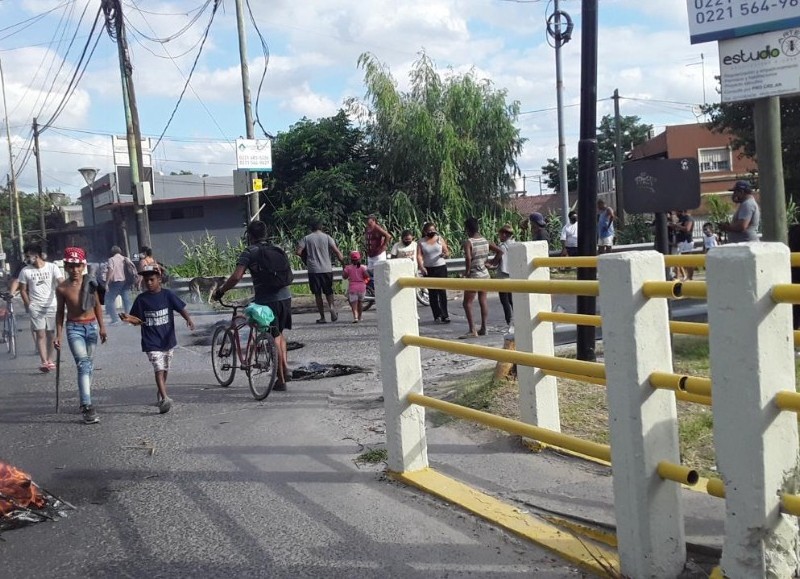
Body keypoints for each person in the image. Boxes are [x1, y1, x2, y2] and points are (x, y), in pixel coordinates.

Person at [213, 220, 293, 390]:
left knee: (273, 337)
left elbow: (236, 277)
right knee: (279, 334)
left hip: (267, 300)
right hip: (285, 296)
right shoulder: (277, 249)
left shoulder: (250, 252)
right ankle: (285, 368)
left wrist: (221, 291)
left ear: (250, 236)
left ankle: (281, 378)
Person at [120, 265, 195, 413]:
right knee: (159, 368)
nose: (148, 283)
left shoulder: (168, 295)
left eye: (152, 280)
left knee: (165, 368)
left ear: (159, 280)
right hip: (151, 342)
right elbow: (137, 320)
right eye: (146, 280)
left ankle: (161, 392)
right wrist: (128, 319)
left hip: (167, 340)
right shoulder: (141, 300)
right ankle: (165, 398)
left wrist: (188, 319)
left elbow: (180, 308)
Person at [54, 247, 107, 424]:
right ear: (66, 267)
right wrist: (58, 335)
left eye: (78, 266)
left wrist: (102, 327)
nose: (75, 270)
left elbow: (97, 305)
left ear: (83, 266)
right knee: (83, 365)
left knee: (89, 365)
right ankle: (87, 405)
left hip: (91, 326)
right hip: (74, 328)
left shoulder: (90, 282)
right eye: (71, 266)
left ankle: (86, 397)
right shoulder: (62, 288)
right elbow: (60, 312)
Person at [18, 244, 64, 372]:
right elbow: (22, 290)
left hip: (51, 305)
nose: (26, 259)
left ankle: (50, 359)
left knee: (51, 333)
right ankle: (43, 361)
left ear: (36, 255)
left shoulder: (52, 267)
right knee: (40, 333)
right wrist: (29, 305)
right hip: (36, 307)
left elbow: (61, 283)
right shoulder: (25, 271)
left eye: (28, 256)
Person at [461, 217, 503, 339]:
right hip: (485, 274)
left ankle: (472, 329)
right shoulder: (486, 241)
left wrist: (467, 272)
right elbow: (500, 251)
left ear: (468, 229)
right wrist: (492, 263)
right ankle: (484, 327)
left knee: (467, 303)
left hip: (474, 275)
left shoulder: (469, 242)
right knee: (483, 300)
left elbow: (468, 258)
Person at [296, 221, 344, 324]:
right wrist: (344, 263)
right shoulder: (327, 237)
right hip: (326, 268)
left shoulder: (306, 238)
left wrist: (306, 257)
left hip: (313, 270)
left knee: (317, 294)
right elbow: (336, 251)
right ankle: (331, 308)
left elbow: (298, 252)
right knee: (329, 291)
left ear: (311, 228)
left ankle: (322, 317)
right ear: (321, 228)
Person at [418, 222, 451, 323]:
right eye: (429, 230)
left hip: (440, 267)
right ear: (425, 231)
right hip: (429, 268)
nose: (431, 232)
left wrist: (444, 255)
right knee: (432, 293)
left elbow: (447, 252)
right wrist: (421, 267)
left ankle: (445, 315)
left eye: (433, 230)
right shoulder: (421, 242)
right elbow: (419, 255)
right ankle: (437, 315)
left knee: (442, 292)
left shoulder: (439, 239)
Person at [105, 246, 135, 323]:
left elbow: (110, 270)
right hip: (126, 282)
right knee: (126, 300)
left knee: (109, 300)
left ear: (112, 252)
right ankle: (128, 318)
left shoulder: (111, 259)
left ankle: (115, 319)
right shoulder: (126, 258)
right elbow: (133, 268)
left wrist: (107, 282)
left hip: (117, 282)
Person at [495, 223, 515, 333]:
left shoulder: (502, 246)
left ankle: (509, 322)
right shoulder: (515, 244)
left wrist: (491, 264)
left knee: (505, 301)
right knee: (512, 301)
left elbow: (497, 259)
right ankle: (517, 321)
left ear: (504, 234)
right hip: (512, 275)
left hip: (503, 276)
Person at [342, 250, 369, 323]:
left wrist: (344, 269)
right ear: (359, 259)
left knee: (354, 304)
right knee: (360, 303)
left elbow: (344, 277)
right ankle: (360, 317)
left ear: (351, 259)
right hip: (362, 287)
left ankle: (355, 317)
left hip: (353, 288)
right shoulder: (363, 267)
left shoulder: (348, 268)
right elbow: (367, 276)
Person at [671, 209, 695, 281]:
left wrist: (677, 226)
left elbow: (687, 229)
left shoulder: (688, 218)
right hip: (681, 242)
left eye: (677, 211)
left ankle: (690, 277)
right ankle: (685, 276)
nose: (676, 213)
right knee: (682, 261)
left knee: (688, 260)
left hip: (686, 241)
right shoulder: (681, 219)